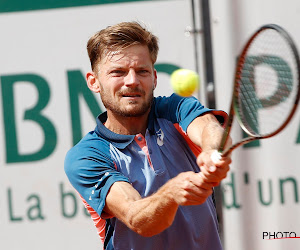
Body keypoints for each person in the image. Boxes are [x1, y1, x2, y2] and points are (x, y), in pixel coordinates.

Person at [64, 21, 231, 250]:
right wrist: (172, 193)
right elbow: (137, 218)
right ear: (94, 82)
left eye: (141, 71)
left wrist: (212, 151)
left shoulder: (175, 109)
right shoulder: (86, 156)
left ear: (154, 77)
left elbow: (209, 129)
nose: (132, 81)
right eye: (118, 72)